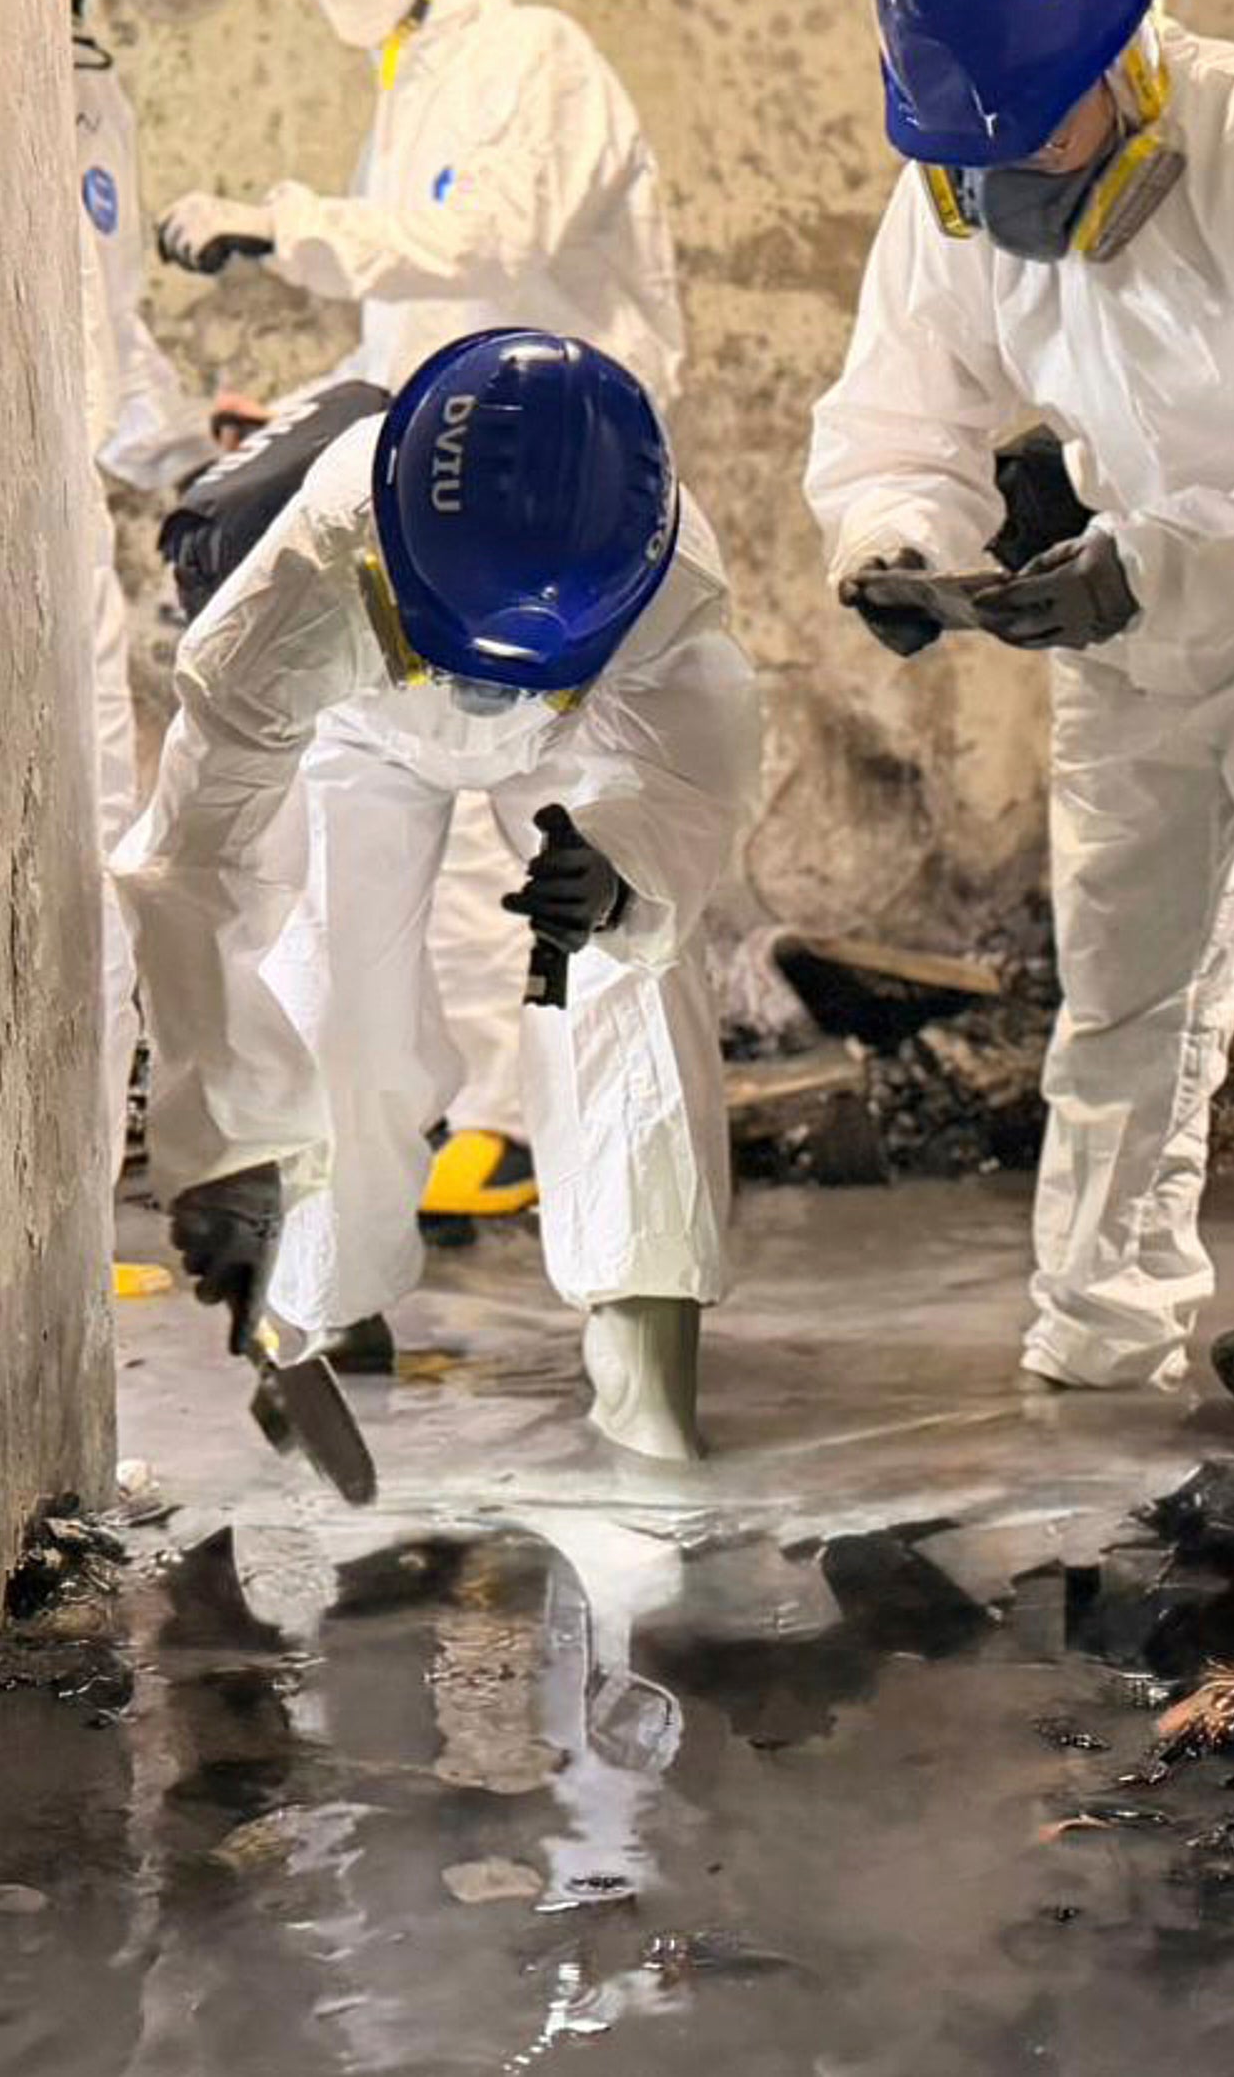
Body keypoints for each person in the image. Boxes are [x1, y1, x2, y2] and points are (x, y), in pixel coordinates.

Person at [804, 0, 1234, 1392]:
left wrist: (1161, 561)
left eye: (1034, 129)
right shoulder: (954, 183)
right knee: (1121, 1001)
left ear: (1126, 48)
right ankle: (1100, 1324)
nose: (1006, 174)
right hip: (1123, 645)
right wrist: (899, 540)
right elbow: (899, 416)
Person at [151, 0, 690, 1235]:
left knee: (564, 818)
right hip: (457, 509)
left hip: (577, 500)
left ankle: (601, 1160)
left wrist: (289, 220)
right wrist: (318, 404)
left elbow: (489, 237)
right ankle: (488, 1124)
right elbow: (414, 322)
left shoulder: (538, 59)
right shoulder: (417, 83)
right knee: (429, 789)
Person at [124, 328, 759, 1460]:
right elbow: (199, 875)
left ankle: (641, 1335)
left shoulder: (666, 585)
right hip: (357, 728)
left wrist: (620, 868)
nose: (481, 688)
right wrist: (220, 1154)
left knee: (626, 974)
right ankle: (317, 1301)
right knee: (329, 983)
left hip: (577, 733)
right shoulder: (300, 584)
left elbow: (686, 784)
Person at [60, 0, 223, 1166]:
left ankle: (66, 1200)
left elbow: (106, 351)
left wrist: (201, 462)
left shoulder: (91, 97)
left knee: (101, 857)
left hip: (61, 568)